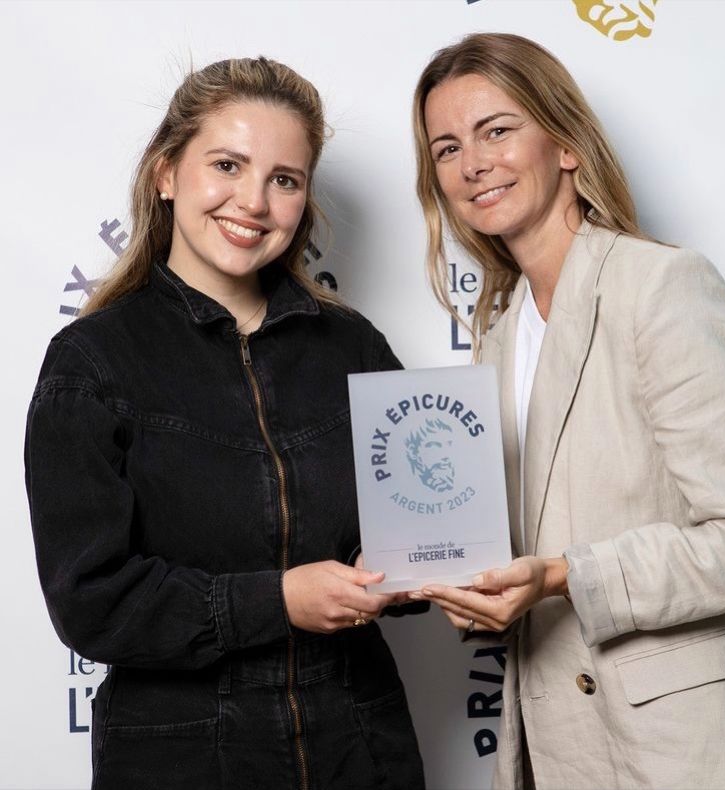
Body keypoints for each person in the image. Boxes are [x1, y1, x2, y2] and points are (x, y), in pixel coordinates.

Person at [409, 32, 725, 789]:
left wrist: (567, 576)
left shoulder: (660, 288)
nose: (471, 164)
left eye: (497, 130)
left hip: (685, 751)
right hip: (556, 743)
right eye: (446, 148)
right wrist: (463, 583)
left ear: (565, 144)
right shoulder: (497, 343)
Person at [25, 57, 425, 790]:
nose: (255, 201)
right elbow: (92, 600)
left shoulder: (354, 348)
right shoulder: (92, 363)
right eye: (227, 165)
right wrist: (279, 600)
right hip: (183, 759)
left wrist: (416, 571)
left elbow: (415, 523)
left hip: (360, 749)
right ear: (167, 173)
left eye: (284, 179)